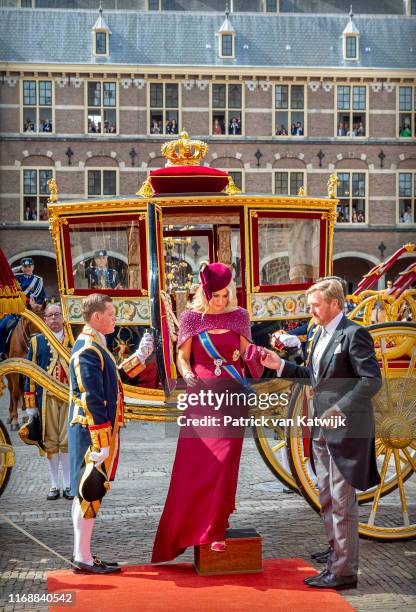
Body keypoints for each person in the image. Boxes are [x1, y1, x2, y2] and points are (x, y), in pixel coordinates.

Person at [260, 278, 381, 590]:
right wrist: (281, 366)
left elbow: (371, 381)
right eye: (310, 304)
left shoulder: (355, 334)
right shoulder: (316, 333)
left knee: (342, 502)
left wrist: (340, 408)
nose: (310, 310)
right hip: (320, 430)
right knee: (326, 499)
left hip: (346, 430)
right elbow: (314, 378)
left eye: (315, 304)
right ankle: (335, 561)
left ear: (334, 305)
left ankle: (344, 572)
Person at [152, 263, 261, 562]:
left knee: (225, 462)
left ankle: (216, 527)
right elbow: (182, 356)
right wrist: (186, 374)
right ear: (205, 292)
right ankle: (191, 528)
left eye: (226, 295)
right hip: (201, 396)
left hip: (231, 396)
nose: (222, 301)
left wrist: (260, 354)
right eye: (217, 296)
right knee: (199, 466)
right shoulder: (190, 318)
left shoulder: (240, 317)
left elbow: (248, 353)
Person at [68, 293, 154, 574]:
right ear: (97, 316)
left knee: (88, 493)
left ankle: (84, 553)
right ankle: (82, 557)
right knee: (90, 491)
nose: (115, 317)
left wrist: (140, 357)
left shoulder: (95, 345)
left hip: (96, 432)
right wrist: (101, 441)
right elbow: (92, 397)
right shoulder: (87, 349)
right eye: (111, 312)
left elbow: (112, 377)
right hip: (91, 433)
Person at [24, 303, 72, 500]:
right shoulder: (37, 343)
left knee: (67, 442)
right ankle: (54, 484)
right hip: (46, 400)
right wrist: (30, 404)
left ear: (63, 317)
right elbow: (30, 373)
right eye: (50, 315)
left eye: (57, 315)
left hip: (69, 399)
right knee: (50, 443)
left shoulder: (74, 340)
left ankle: (69, 484)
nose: (54, 318)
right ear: (44, 319)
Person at [0, 257, 46, 360]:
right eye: (25, 267)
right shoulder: (15, 278)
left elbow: (41, 297)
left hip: (33, 312)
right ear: (22, 268)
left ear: (33, 267)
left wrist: (36, 305)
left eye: (29, 266)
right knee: (1, 327)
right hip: (17, 311)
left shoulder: (38, 280)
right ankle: (2, 352)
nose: (27, 269)